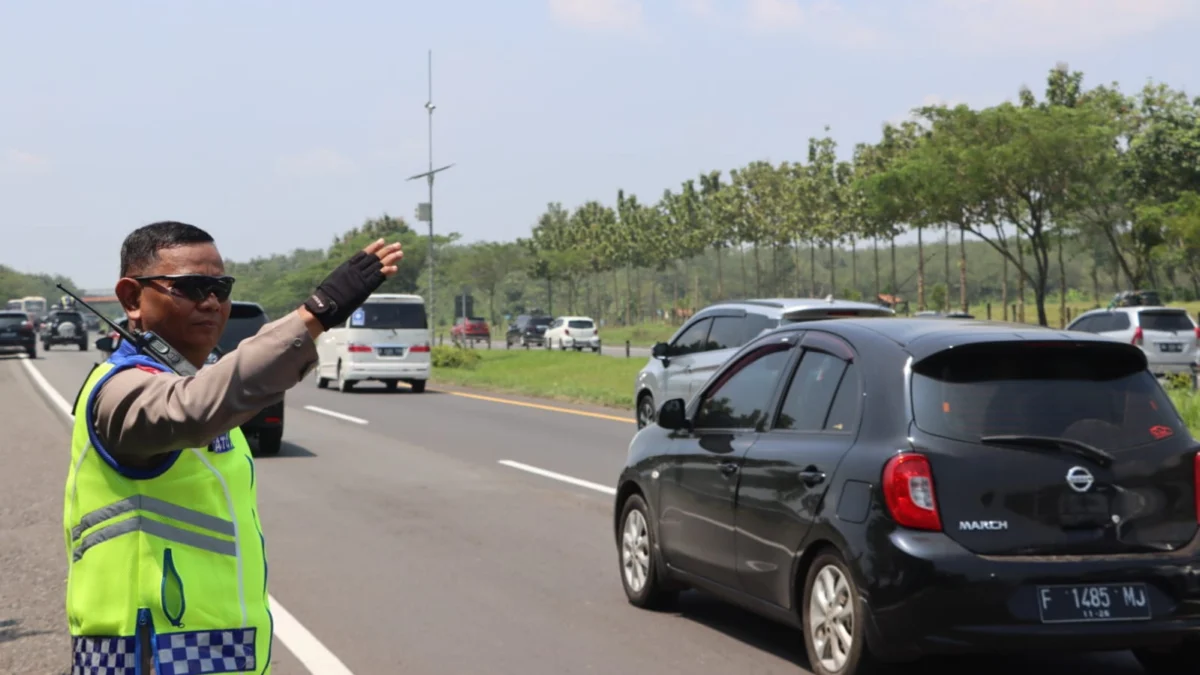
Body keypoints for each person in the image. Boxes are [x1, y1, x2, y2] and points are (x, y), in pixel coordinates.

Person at [63, 221, 403, 675]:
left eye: (221, 287)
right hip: (147, 656)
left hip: (207, 655)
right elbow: (194, 408)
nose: (211, 301)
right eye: (191, 287)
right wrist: (317, 313)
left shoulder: (183, 377)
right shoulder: (121, 391)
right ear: (131, 299)